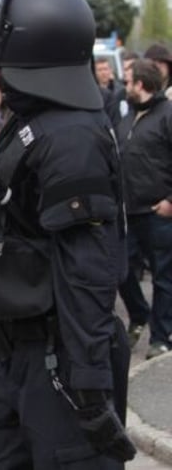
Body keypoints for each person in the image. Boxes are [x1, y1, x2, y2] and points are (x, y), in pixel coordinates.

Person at [0, 0, 135, 468]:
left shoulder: (71, 138)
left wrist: (89, 381)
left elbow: (89, 267)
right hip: (21, 351)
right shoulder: (33, 122)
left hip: (60, 357)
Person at [116, 59, 172, 358]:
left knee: (164, 277)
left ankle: (160, 337)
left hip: (158, 213)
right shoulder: (128, 118)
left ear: (141, 84)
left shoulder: (167, 115)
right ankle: (139, 314)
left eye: (128, 82)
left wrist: (170, 202)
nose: (125, 86)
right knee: (120, 270)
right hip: (127, 212)